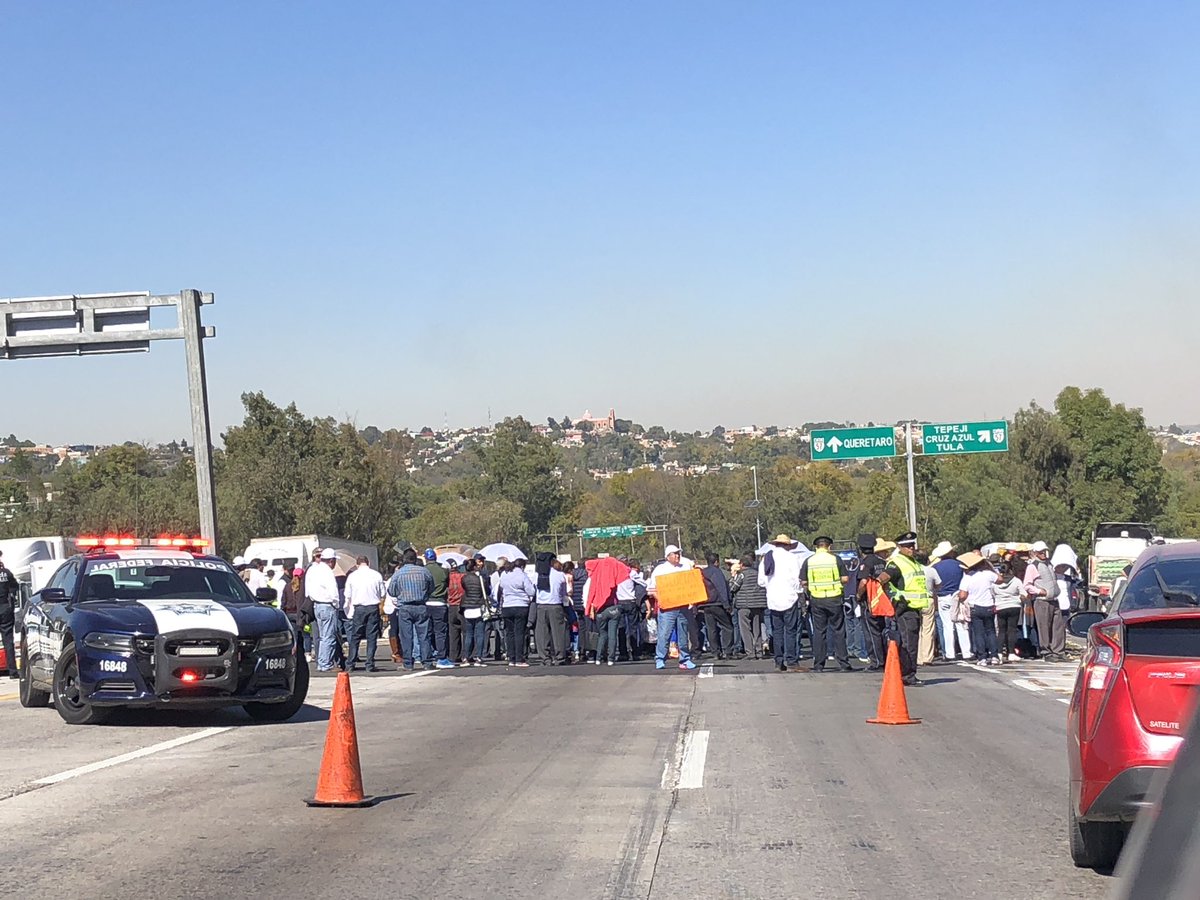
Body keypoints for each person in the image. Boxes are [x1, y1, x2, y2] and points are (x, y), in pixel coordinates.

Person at [879, 532, 930, 686]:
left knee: (910, 641)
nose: (911, 548)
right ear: (900, 547)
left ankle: (906, 673)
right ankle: (908, 675)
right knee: (909, 643)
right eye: (907, 546)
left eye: (912, 545)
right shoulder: (897, 563)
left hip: (914, 607)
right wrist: (888, 598)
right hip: (904, 606)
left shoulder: (912, 561)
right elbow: (882, 579)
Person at [800, 536, 853, 672]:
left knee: (819, 631)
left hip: (817, 599)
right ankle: (844, 663)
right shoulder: (835, 559)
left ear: (816, 547)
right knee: (839, 631)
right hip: (834, 598)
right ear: (829, 547)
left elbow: (804, 581)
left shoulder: (809, 561)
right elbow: (845, 578)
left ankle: (819, 664)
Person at [646, 545, 698, 671]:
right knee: (665, 633)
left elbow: (692, 585)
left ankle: (685, 659)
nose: (677, 556)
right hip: (667, 608)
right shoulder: (660, 569)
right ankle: (660, 658)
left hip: (683, 607)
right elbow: (651, 590)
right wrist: (662, 600)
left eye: (678, 553)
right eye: (674, 554)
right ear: (668, 556)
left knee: (683, 633)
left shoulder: (685, 567)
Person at [759, 534, 803, 672]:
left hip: (773, 599)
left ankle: (778, 661)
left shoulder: (766, 558)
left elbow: (761, 581)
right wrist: (799, 592)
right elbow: (797, 579)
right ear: (788, 545)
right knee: (791, 631)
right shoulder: (792, 558)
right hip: (789, 598)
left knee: (777, 631)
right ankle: (791, 661)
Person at [387, 549, 435, 670]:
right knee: (424, 636)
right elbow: (431, 587)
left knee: (406, 636)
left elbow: (391, 591)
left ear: (404, 559)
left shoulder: (398, 574)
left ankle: (408, 663)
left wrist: (401, 594)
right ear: (415, 559)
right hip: (421, 606)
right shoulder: (425, 572)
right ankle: (427, 662)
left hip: (405, 607)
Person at [1025, 540, 1066, 660]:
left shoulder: (1049, 564)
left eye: (1044, 551)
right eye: (1040, 552)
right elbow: (1027, 585)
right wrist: (1039, 591)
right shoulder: (1033, 566)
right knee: (1044, 627)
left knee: (1058, 626)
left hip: (1053, 599)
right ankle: (1046, 651)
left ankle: (1058, 651)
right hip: (1042, 600)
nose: (1043, 553)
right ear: (1035, 553)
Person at [958, 552, 1000, 666]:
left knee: (978, 633)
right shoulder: (988, 574)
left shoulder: (967, 578)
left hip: (975, 607)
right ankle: (994, 655)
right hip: (989, 606)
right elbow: (1000, 579)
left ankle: (982, 657)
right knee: (991, 631)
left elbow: (962, 595)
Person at [343, 555, 385, 672]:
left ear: (357, 564)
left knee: (355, 636)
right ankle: (369, 663)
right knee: (371, 636)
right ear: (368, 563)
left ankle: (351, 663)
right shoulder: (376, 575)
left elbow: (347, 595)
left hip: (359, 608)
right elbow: (382, 593)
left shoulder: (352, 576)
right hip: (372, 607)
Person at [931, 542, 970, 662]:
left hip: (943, 597)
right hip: (957, 596)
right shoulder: (960, 565)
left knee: (947, 626)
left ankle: (949, 653)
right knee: (961, 624)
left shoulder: (935, 567)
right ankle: (966, 652)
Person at [305, 547, 342, 672]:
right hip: (327, 605)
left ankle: (321, 662)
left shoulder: (313, 569)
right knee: (328, 636)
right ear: (331, 561)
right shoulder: (327, 572)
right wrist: (336, 604)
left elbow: (308, 589)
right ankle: (326, 663)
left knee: (321, 636)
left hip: (316, 604)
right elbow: (333, 590)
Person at [493, 558, 535, 667]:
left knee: (509, 633)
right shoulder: (522, 575)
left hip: (507, 606)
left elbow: (501, 588)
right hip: (521, 606)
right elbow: (531, 591)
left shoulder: (504, 574)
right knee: (519, 633)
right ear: (522, 566)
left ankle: (511, 658)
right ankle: (519, 659)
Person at [534, 556, 570, 665]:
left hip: (541, 606)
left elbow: (532, 590)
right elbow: (564, 593)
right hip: (556, 605)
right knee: (558, 633)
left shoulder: (536, 575)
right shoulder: (560, 575)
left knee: (542, 634)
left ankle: (545, 658)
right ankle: (560, 657)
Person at [699, 552, 736, 659]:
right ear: (716, 562)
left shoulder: (703, 573)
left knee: (711, 628)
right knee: (727, 627)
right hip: (717, 603)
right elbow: (721, 588)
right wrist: (726, 604)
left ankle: (715, 652)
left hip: (706, 604)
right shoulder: (716, 572)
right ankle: (727, 650)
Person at [731, 552, 768, 659]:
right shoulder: (758, 573)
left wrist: (733, 577)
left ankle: (750, 652)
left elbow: (733, 587)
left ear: (742, 564)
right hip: (758, 604)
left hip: (744, 605)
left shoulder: (741, 574)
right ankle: (759, 651)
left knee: (745, 629)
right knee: (757, 629)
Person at [423, 549, 454, 669]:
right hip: (440, 603)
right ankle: (442, 657)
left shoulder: (424, 571)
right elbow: (447, 584)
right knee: (440, 633)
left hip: (426, 603)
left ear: (426, 558)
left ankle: (427, 656)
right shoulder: (443, 571)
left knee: (426, 632)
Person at [459, 558, 490, 666]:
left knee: (468, 634)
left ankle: (466, 657)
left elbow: (464, 589)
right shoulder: (481, 579)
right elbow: (486, 591)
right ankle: (478, 657)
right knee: (480, 634)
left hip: (468, 607)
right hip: (478, 607)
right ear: (475, 567)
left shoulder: (464, 579)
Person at [992, 560, 1024, 663]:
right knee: (1011, 630)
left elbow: (992, 593)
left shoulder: (996, 582)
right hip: (1014, 606)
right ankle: (1011, 653)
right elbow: (1023, 593)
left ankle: (999, 653)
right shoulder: (1016, 580)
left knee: (1001, 630)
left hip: (1000, 606)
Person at [616, 560, 647, 661]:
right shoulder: (631, 573)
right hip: (631, 602)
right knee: (633, 628)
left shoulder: (616, 573)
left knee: (621, 629)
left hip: (620, 602)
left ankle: (623, 653)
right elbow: (643, 583)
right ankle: (636, 653)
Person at [918, 551, 941, 666]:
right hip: (928, 599)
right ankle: (926, 657)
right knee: (927, 629)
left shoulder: (912, 570)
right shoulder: (931, 571)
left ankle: (917, 656)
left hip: (914, 601)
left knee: (916, 629)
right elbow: (938, 585)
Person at [0, 551, 17, 678]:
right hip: (5, 607)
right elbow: (15, 587)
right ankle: (12, 671)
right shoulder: (6, 573)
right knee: (8, 641)